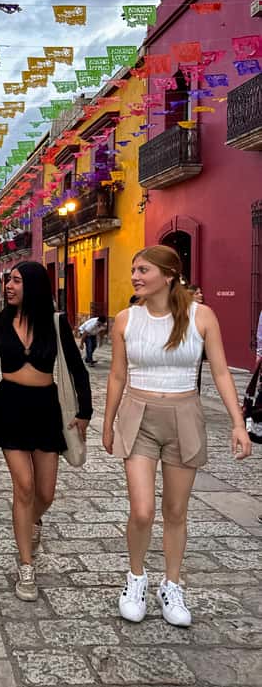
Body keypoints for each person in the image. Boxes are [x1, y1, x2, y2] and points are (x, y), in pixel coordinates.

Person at [103, 245, 251, 628]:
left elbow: (220, 372)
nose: (135, 276)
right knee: (142, 509)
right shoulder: (125, 320)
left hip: (185, 415)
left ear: (168, 275)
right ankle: (136, 578)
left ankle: (171, 584)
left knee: (175, 511)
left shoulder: (202, 317)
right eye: (134, 269)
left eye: (143, 269)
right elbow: (118, 375)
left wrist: (238, 422)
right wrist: (107, 422)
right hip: (138, 415)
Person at [0, 261, 92, 602]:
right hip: (10, 408)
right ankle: (26, 565)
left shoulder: (55, 323)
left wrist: (85, 413)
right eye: (8, 281)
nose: (9, 286)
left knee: (45, 493)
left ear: (32, 285)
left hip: (46, 410)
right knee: (25, 485)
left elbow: (78, 370)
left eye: (16, 281)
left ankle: (31, 523)